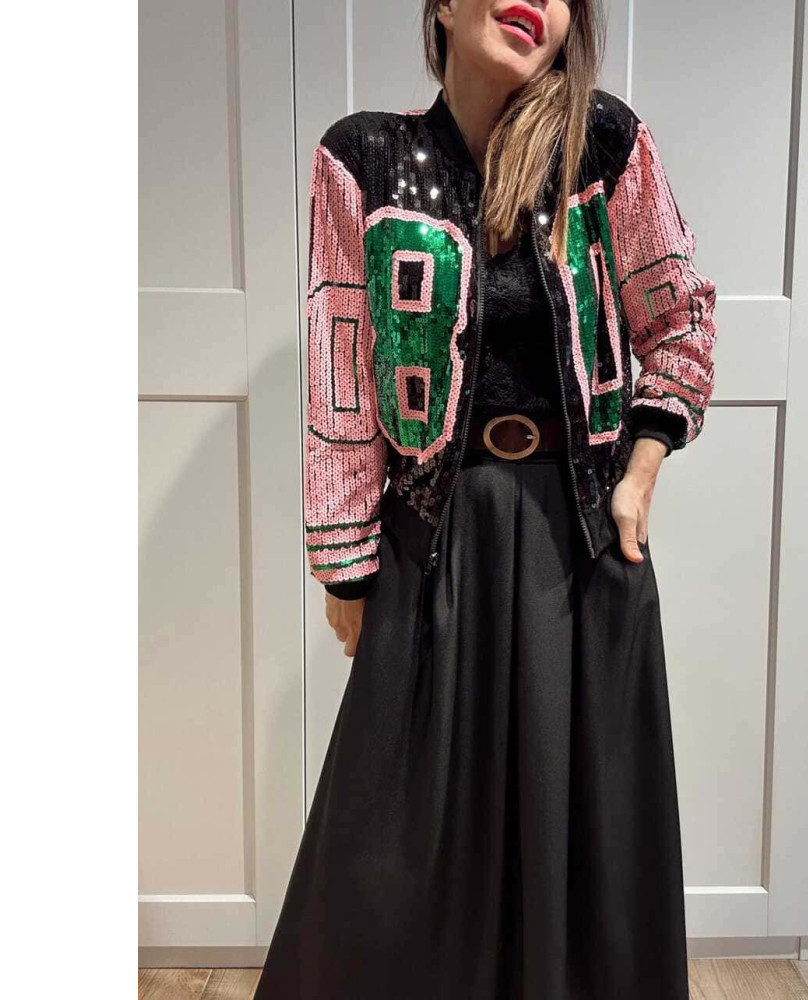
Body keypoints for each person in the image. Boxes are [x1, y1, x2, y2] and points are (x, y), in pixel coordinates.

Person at [255, 1, 717, 997]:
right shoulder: (364, 160)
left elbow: (680, 318)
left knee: (585, 853)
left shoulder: (602, 143)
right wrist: (344, 561)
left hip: (580, 545)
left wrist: (638, 479)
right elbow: (344, 371)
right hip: (435, 539)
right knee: (388, 853)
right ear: (442, 6)